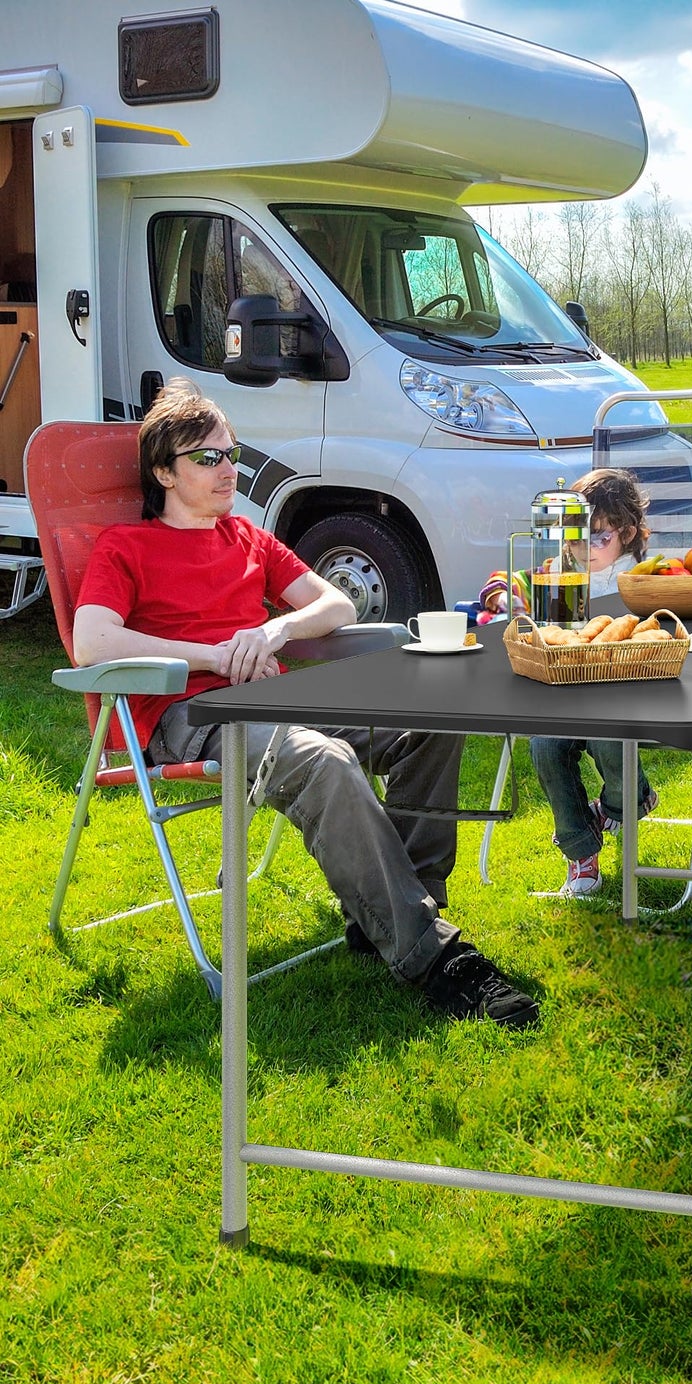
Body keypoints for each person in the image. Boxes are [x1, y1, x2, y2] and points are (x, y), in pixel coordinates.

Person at [72, 378, 538, 1028]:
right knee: (323, 761)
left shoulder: (247, 539)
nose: (228, 468)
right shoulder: (127, 547)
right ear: (163, 472)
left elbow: (336, 603)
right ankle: (434, 958)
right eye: (207, 458)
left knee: (429, 717)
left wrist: (274, 630)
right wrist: (213, 655)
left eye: (232, 453)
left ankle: (405, 909)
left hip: (273, 696)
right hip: (194, 715)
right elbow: (91, 640)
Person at [529, 467, 661, 896]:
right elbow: (511, 579)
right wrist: (501, 594)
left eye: (598, 537)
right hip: (569, 700)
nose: (583, 549)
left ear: (627, 532)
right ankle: (580, 850)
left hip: (626, 704)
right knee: (544, 746)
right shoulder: (560, 572)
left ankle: (624, 804)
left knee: (609, 739)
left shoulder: (644, 578)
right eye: (573, 537)